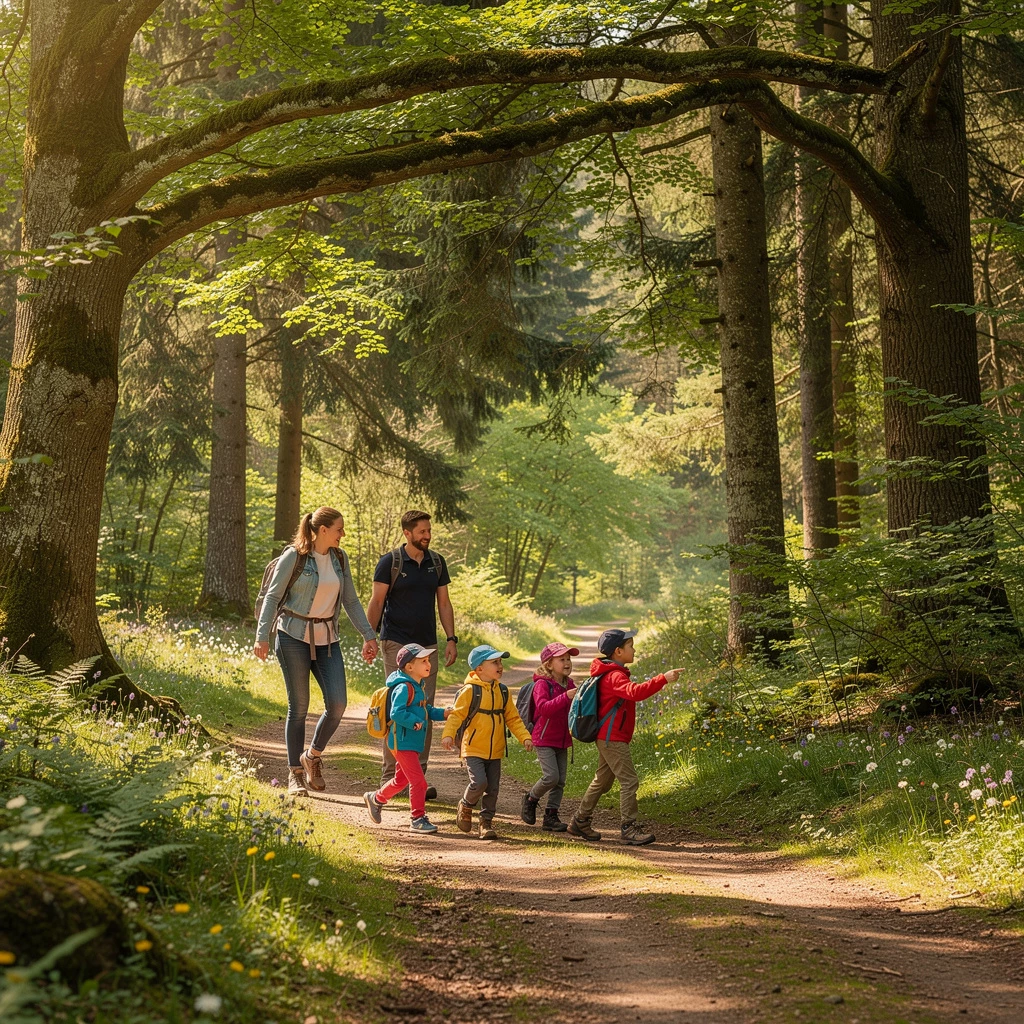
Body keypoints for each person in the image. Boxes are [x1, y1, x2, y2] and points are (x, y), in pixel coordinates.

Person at [254, 507, 378, 797]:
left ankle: (311, 756)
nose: (342, 534)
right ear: (323, 530)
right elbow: (273, 597)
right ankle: (294, 774)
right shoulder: (294, 556)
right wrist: (262, 636)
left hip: (328, 639)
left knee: (337, 704)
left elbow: (351, 600)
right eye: (339, 529)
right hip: (292, 636)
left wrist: (369, 636)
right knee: (298, 706)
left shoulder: (339, 558)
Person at [366, 510, 458, 797]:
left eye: (429, 530)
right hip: (396, 643)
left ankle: (416, 776)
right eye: (421, 531)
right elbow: (377, 601)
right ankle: (389, 776)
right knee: (399, 706)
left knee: (424, 707)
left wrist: (451, 638)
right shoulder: (390, 562)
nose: (427, 535)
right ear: (407, 533)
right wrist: (369, 637)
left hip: (427, 646)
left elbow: (444, 603)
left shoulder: (437, 563)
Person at [568, 628, 682, 846]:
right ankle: (628, 828)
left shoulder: (610, 672)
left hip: (609, 736)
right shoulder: (614, 675)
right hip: (612, 738)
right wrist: (663, 679)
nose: (634, 649)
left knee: (602, 781)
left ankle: (580, 821)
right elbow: (636, 693)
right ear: (618, 651)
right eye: (630, 646)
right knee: (629, 781)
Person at [441, 645, 533, 840]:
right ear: (479, 669)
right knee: (479, 783)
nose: (500, 666)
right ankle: (466, 805)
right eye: (494, 662)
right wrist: (448, 735)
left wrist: (525, 737)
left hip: (496, 750)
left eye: (500, 662)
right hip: (473, 748)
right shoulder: (469, 691)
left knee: (492, 789)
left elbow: (513, 719)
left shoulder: (503, 691)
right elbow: (456, 716)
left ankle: (486, 823)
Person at [364, 643, 451, 833]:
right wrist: (414, 722)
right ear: (409, 667)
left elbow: (425, 710)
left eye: (428, 660)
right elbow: (396, 712)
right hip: (401, 742)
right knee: (419, 782)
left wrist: (443, 713)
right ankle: (417, 818)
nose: (429, 664)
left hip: (410, 742)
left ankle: (376, 798)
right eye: (424, 661)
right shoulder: (404, 687)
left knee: (401, 780)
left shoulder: (418, 686)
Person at [521, 641, 579, 832]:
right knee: (551, 777)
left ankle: (551, 816)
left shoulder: (569, 684)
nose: (567, 662)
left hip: (562, 739)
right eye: (561, 659)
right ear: (549, 664)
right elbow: (544, 709)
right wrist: (566, 697)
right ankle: (530, 798)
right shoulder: (542, 685)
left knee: (560, 780)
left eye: (568, 658)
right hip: (544, 738)